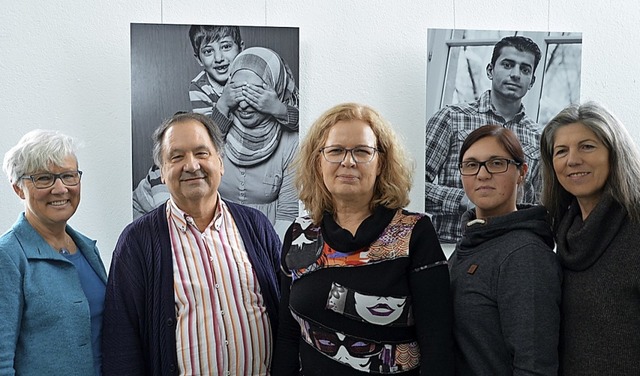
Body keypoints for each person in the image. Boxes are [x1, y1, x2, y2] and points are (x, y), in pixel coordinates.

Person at [272, 103, 454, 375]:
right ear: (318, 161)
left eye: (362, 151)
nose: (348, 161)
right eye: (335, 151)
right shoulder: (300, 234)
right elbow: (287, 336)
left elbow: (438, 343)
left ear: (381, 162)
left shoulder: (415, 232)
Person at [102, 112, 282, 375]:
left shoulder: (256, 226)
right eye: (176, 157)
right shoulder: (137, 242)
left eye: (202, 153)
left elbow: (287, 315)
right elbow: (121, 343)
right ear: (162, 172)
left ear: (220, 163)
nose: (192, 165)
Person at [449, 124, 561, 375]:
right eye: (471, 165)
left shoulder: (524, 254)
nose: (482, 174)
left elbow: (534, 365)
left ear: (521, 172)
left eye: (496, 163)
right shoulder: (471, 241)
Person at [540, 102, 640, 375]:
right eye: (561, 151)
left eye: (587, 146)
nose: (572, 160)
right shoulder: (562, 233)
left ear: (614, 153)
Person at [0, 130, 107, 375]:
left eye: (68, 176)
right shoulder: (8, 257)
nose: (60, 189)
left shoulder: (88, 249)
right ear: (18, 188)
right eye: (44, 178)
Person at [425, 35, 542, 247]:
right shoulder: (451, 118)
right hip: (450, 247)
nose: (515, 74)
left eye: (525, 69)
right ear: (490, 70)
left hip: (510, 252)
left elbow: (540, 206)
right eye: (507, 65)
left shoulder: (539, 137)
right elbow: (410, 186)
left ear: (532, 81)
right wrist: (462, 200)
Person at [214, 46, 299, 237]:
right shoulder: (217, 129)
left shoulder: (291, 142)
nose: (243, 104)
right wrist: (222, 104)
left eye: (255, 93)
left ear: (276, 89)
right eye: (236, 91)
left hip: (268, 246)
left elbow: (288, 216)